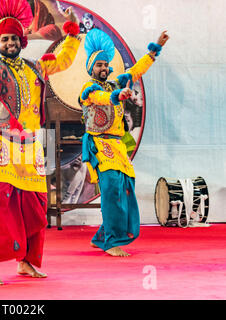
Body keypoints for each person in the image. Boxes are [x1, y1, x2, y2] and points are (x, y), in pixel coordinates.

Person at [0, 0, 82, 285]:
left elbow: (65, 61)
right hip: (2, 147)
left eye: (13, 38)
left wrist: (70, 32)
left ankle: (28, 262)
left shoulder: (36, 68)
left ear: (21, 40)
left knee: (34, 207)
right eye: (3, 39)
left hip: (31, 148)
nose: (9, 42)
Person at [78, 29, 169, 257]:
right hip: (99, 146)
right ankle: (111, 241)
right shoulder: (89, 89)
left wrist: (155, 49)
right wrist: (117, 96)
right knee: (110, 190)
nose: (103, 68)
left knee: (125, 189)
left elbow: (136, 71)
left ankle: (101, 235)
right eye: (98, 65)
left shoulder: (116, 82)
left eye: (105, 64)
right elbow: (100, 98)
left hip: (117, 147)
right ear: (91, 68)